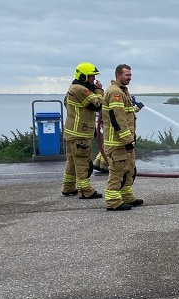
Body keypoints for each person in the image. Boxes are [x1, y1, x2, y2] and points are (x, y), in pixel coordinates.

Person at [102, 64, 143, 210]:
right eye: (127, 75)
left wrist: (136, 108)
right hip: (118, 142)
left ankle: (126, 195)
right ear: (118, 75)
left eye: (131, 75)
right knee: (117, 171)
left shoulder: (122, 91)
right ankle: (113, 201)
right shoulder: (115, 92)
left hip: (126, 141)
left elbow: (125, 112)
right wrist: (127, 141)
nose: (130, 78)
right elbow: (117, 118)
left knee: (130, 169)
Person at [61, 62, 104, 199]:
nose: (93, 79)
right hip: (80, 133)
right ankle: (86, 190)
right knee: (83, 162)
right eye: (91, 76)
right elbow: (97, 104)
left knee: (72, 162)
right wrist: (98, 90)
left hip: (71, 132)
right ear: (83, 76)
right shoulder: (81, 89)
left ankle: (68, 187)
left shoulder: (72, 87)